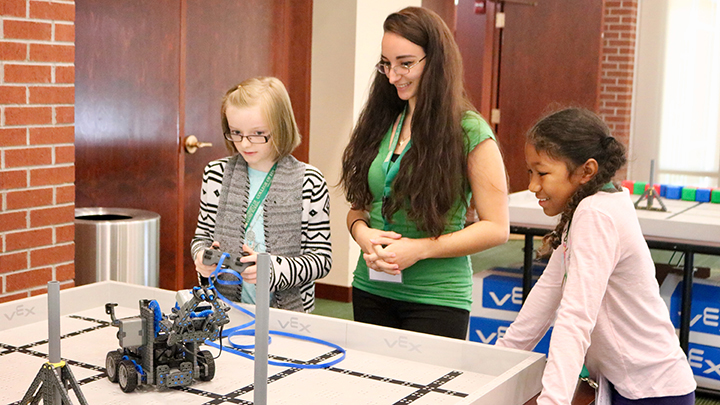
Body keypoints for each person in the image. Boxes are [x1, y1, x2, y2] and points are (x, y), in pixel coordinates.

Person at [496, 108, 696, 404]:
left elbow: (575, 317)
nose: (532, 185)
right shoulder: (589, 208)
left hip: (653, 392)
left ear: (586, 171)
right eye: (530, 172)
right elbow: (547, 294)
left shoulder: (596, 214)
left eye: (542, 173)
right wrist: (497, 363)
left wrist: (552, 401)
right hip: (632, 386)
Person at [340, 7, 509, 339]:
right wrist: (362, 234)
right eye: (386, 64)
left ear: (436, 62)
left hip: (437, 298)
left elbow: (496, 228)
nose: (392, 76)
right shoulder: (383, 120)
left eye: (405, 63)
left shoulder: (469, 130)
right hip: (371, 288)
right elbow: (358, 210)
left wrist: (420, 249)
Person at [191, 76, 332, 313]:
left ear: (281, 127)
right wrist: (201, 257)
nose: (245, 144)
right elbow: (202, 238)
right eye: (236, 132)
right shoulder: (217, 174)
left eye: (258, 133)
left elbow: (321, 259)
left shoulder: (309, 181)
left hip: (288, 313)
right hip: (226, 308)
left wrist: (273, 269)